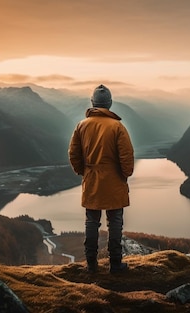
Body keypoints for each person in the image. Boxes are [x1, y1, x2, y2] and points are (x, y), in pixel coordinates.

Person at [68, 84, 134, 274]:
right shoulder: (117, 127)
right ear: (110, 104)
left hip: (92, 179)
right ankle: (115, 264)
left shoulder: (82, 125)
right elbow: (126, 156)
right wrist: (125, 174)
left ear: (93, 103)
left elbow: (74, 154)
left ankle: (91, 264)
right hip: (114, 181)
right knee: (114, 221)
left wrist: (84, 171)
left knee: (91, 221)